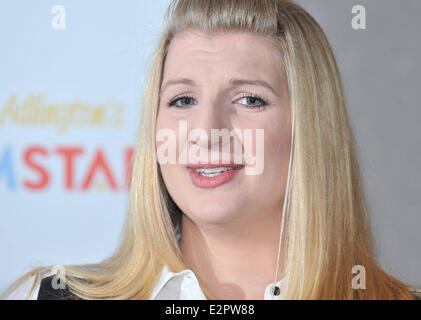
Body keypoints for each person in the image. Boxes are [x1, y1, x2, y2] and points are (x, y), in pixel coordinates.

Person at [2, 0, 420, 300]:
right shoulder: (45, 295)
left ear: (311, 129)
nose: (206, 132)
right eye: (183, 101)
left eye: (249, 100)